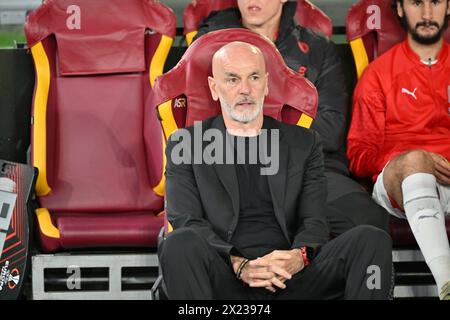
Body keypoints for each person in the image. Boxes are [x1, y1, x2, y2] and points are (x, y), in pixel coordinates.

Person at [159, 41, 393, 300]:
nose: (245, 90)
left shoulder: (303, 143)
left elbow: (314, 220)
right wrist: (240, 265)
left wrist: (298, 258)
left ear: (267, 84)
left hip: (291, 275)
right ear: (215, 88)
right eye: (233, 79)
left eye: (254, 77)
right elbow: (186, 220)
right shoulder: (187, 145)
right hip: (226, 275)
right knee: (178, 244)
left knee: (371, 240)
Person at [193, 0, 389, 236]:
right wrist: (288, 118)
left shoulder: (318, 49)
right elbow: (199, 123)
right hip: (236, 165)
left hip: (310, 166)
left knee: (366, 218)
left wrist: (258, 121)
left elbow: (330, 130)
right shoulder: (207, 47)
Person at [347, 0, 450, 300]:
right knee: (415, 159)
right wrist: (408, 161)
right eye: (417, 3)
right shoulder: (378, 74)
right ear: (401, 9)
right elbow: (358, 155)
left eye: (436, 2)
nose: (428, 14)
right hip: (398, 184)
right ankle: (446, 282)